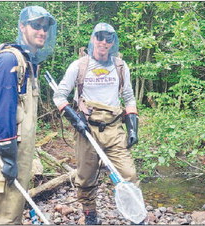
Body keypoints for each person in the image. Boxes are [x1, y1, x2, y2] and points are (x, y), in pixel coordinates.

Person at [53, 22, 140, 225]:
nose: (103, 42)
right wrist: (76, 121)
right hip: (87, 129)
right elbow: (59, 96)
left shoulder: (120, 66)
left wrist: (133, 127)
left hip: (114, 128)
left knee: (129, 174)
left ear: (113, 43)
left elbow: (129, 97)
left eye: (108, 39)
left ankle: (136, 215)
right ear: (93, 39)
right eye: (99, 37)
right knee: (85, 177)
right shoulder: (79, 66)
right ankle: (90, 214)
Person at [0, 6, 56, 224]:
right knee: (2, 209)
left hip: (20, 147)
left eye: (45, 28)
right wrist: (7, 154)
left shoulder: (29, 62)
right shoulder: (9, 60)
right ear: (22, 27)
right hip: (8, 148)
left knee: (14, 202)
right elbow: (3, 109)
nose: (42, 31)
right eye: (36, 26)